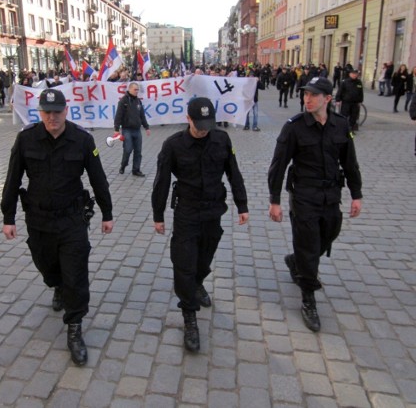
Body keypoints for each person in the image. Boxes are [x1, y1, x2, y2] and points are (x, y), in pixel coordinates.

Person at [0, 89, 113, 366]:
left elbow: (98, 178)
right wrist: (8, 217)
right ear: (40, 113)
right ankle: (57, 285)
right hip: (38, 221)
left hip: (72, 220)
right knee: (46, 265)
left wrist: (107, 213)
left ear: (66, 111)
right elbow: (12, 178)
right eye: (47, 112)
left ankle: (74, 327)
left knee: (75, 273)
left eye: (57, 112)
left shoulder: (83, 140)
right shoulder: (26, 139)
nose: (52, 117)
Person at [152, 97, 249, 352]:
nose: (204, 129)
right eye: (199, 124)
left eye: (208, 124)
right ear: (188, 119)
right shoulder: (173, 145)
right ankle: (189, 316)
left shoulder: (221, 139)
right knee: (184, 263)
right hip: (186, 212)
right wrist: (158, 215)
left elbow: (233, 172)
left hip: (213, 211)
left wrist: (243, 204)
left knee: (203, 260)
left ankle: (197, 283)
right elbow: (161, 181)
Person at [267, 76, 362, 332]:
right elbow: (278, 166)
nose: (307, 99)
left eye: (313, 95)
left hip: (331, 195)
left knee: (329, 234)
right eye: (305, 94)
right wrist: (274, 200)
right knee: (308, 245)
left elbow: (350, 162)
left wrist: (357, 194)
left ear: (328, 99)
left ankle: (297, 261)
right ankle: (308, 297)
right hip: (304, 196)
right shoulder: (294, 127)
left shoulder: (340, 125)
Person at [114, 82, 151, 176]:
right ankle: (123, 165)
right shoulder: (123, 101)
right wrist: (116, 129)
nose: (136, 91)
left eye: (138, 90)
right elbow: (118, 115)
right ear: (130, 89)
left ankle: (136, 170)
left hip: (137, 130)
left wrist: (146, 127)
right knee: (128, 149)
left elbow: (142, 115)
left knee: (138, 151)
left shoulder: (138, 101)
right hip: (127, 130)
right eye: (135, 89)